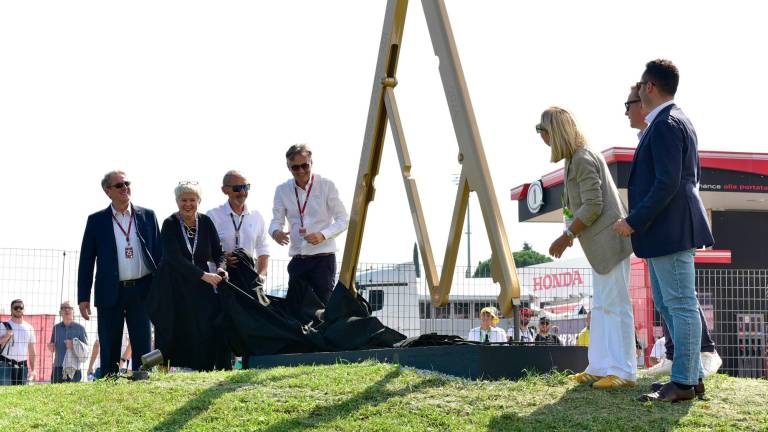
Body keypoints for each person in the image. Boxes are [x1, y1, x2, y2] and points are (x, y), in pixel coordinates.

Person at [614, 59, 715, 402]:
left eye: (640, 86)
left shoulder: (666, 124)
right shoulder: (671, 122)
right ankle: (690, 377)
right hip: (668, 230)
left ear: (650, 87)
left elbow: (667, 183)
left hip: (669, 230)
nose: (638, 92)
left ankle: (685, 382)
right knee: (672, 305)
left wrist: (633, 220)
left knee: (680, 305)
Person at [538, 107, 636, 389]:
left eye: (544, 130)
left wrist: (567, 235)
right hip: (599, 248)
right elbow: (579, 206)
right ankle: (600, 367)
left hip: (610, 245)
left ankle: (624, 372)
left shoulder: (581, 158)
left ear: (556, 132)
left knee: (616, 307)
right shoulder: (574, 159)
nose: (542, 136)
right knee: (603, 307)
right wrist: (569, 231)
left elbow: (594, 205)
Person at [77, 170, 161, 376]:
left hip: (142, 289)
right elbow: (87, 260)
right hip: (110, 290)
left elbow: (159, 254)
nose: (125, 188)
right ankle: (109, 381)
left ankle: (143, 379)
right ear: (107, 191)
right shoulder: (96, 221)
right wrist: (83, 297)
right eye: (119, 185)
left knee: (142, 339)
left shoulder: (147, 216)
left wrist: (162, 289)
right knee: (109, 341)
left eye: (127, 183)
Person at [153, 181, 230, 371]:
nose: (188, 204)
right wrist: (203, 275)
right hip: (175, 284)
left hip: (202, 286)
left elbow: (219, 253)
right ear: (177, 201)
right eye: (183, 200)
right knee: (174, 327)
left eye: (192, 200)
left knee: (205, 327)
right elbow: (173, 258)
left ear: (199, 201)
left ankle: (204, 369)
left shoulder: (206, 222)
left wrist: (221, 268)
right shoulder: (169, 223)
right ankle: (168, 368)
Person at [269, 144, 349, 306]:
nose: (300, 171)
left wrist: (322, 235)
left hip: (323, 260)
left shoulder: (327, 185)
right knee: (295, 311)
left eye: (304, 165)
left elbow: (343, 219)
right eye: (295, 167)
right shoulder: (282, 190)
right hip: (298, 260)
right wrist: (276, 232)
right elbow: (275, 221)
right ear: (288, 167)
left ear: (311, 162)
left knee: (323, 310)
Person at [207, 170, 270, 277]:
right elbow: (202, 250)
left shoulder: (257, 216)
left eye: (245, 187)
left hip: (248, 283)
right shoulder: (212, 215)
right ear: (224, 190)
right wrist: (220, 258)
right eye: (237, 188)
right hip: (220, 283)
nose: (242, 192)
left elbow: (263, 249)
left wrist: (261, 277)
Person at [48, 301, 88, 383]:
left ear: (73, 311)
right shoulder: (56, 328)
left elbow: (86, 351)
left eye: (69, 308)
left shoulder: (80, 329)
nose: (66, 310)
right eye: (63, 308)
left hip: (74, 368)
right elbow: (52, 345)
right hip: (58, 367)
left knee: (73, 395)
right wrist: (51, 346)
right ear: (60, 312)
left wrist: (73, 346)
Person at [0, 299, 37, 385]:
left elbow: (32, 351)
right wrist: (7, 336)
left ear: (24, 309)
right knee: (4, 394)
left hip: (22, 366)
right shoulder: (2, 326)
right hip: (5, 364)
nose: (18, 309)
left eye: (21, 307)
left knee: (20, 395)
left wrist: (34, 370)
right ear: (11, 310)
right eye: (16, 307)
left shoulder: (29, 328)